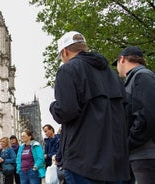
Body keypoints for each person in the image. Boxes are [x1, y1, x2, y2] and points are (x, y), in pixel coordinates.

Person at [49, 31, 130, 183]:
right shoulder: (113, 76)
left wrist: (53, 107)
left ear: (65, 51)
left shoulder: (67, 70)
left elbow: (67, 110)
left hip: (83, 161)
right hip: (116, 163)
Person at [113, 46, 155, 184]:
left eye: (117, 64)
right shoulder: (135, 79)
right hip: (141, 153)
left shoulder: (142, 76)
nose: (117, 68)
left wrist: (129, 142)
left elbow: (147, 115)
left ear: (122, 59)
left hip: (146, 154)